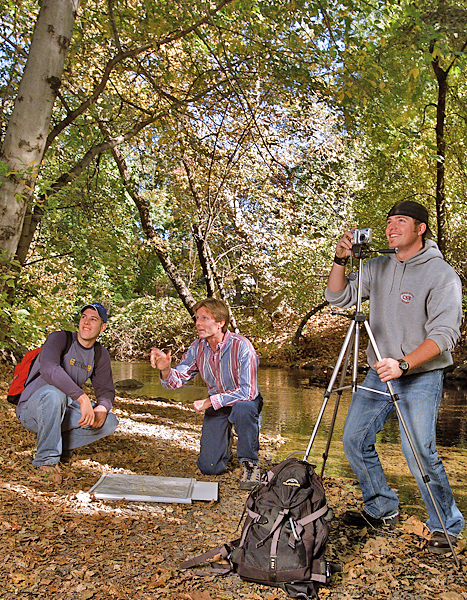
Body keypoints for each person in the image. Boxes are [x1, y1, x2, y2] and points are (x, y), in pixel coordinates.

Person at [325, 200, 464, 554]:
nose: (391, 227)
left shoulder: (442, 275)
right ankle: (381, 506)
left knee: (418, 450)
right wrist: (341, 260)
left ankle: (446, 526)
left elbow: (446, 334)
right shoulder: (376, 267)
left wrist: (403, 364)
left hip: (419, 375)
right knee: (354, 440)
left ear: (421, 229)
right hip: (378, 373)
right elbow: (338, 297)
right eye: (388, 221)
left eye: (400, 221)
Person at [150, 298, 263, 490]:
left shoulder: (242, 346)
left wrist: (211, 401)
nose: (198, 323)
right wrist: (166, 370)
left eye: (204, 318)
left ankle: (250, 463)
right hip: (217, 405)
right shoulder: (197, 348)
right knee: (209, 468)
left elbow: (248, 391)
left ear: (221, 323)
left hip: (244, 401)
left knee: (243, 410)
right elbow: (175, 381)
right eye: (197, 318)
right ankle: (224, 441)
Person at [16, 302, 118, 478]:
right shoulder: (60, 339)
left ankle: (59, 444)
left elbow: (106, 390)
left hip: (65, 409)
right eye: (84, 317)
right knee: (55, 394)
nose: (86, 322)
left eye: (93, 319)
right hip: (33, 409)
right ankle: (46, 459)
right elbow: (49, 369)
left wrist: (101, 408)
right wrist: (82, 398)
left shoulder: (99, 354)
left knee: (109, 422)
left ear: (102, 327)